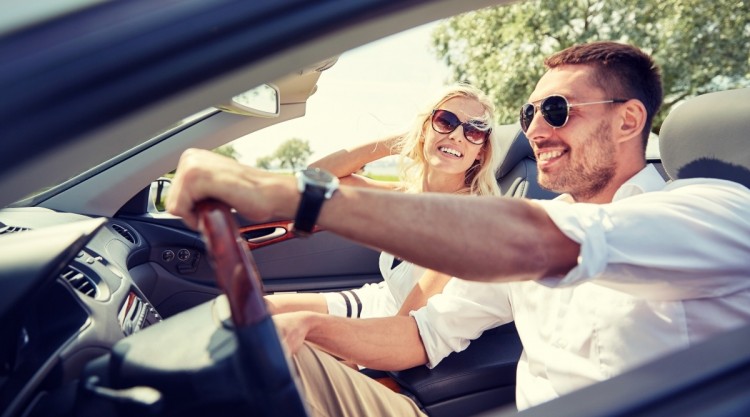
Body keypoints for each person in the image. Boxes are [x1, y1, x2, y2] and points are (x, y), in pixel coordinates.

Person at [167, 41, 750, 415]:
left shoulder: (713, 210)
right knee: (244, 355)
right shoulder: (549, 223)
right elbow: (422, 335)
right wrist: (309, 329)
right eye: (529, 115)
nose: (535, 132)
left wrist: (286, 192)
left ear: (629, 120)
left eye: (556, 111)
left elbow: (539, 242)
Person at [265, 83, 503, 321]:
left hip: (388, 333)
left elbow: (403, 328)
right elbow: (317, 175)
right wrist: (402, 141)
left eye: (474, 131)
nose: (456, 135)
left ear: (481, 151)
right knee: (260, 310)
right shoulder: (407, 196)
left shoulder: (466, 221)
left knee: (275, 332)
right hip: (374, 302)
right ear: (424, 129)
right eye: (445, 121)